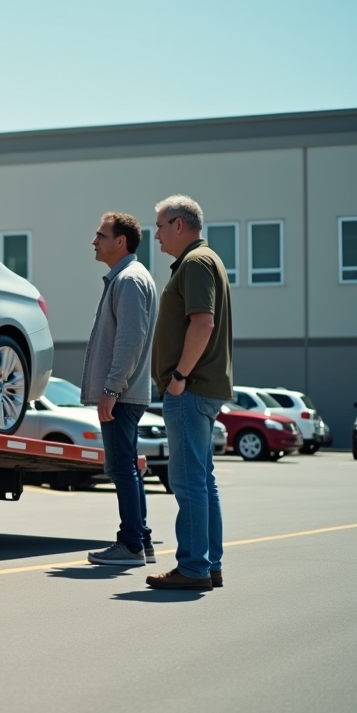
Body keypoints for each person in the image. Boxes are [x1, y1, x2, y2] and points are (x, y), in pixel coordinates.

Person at [148, 194, 234, 590]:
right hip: (199, 390)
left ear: (179, 225)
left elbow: (203, 324)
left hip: (190, 390)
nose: (157, 234)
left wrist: (179, 376)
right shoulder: (204, 260)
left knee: (187, 481)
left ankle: (194, 568)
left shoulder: (196, 262)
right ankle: (208, 565)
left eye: (161, 226)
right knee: (202, 480)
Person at [82, 213, 159, 567]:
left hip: (122, 394)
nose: (94, 241)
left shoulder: (129, 280)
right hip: (126, 392)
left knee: (120, 468)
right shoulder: (128, 278)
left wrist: (111, 389)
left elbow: (130, 340)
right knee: (126, 465)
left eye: (101, 235)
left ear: (121, 242)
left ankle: (130, 545)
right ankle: (141, 541)